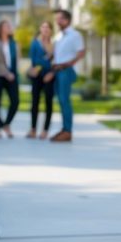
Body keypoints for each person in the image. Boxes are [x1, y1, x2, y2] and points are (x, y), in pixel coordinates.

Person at [50, 9, 84, 143]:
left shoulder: (75, 35)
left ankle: (68, 131)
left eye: (60, 19)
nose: (57, 21)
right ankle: (64, 129)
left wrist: (65, 65)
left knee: (65, 100)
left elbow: (81, 53)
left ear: (67, 20)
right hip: (57, 71)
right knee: (61, 101)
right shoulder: (58, 36)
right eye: (56, 19)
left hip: (66, 70)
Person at [27, 21, 55, 140]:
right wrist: (44, 64)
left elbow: (56, 62)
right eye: (43, 27)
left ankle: (45, 130)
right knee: (35, 103)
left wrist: (51, 72)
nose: (45, 29)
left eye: (48, 27)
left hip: (49, 76)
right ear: (40, 29)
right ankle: (33, 129)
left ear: (51, 30)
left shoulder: (54, 45)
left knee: (48, 103)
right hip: (37, 76)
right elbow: (34, 60)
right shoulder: (35, 43)